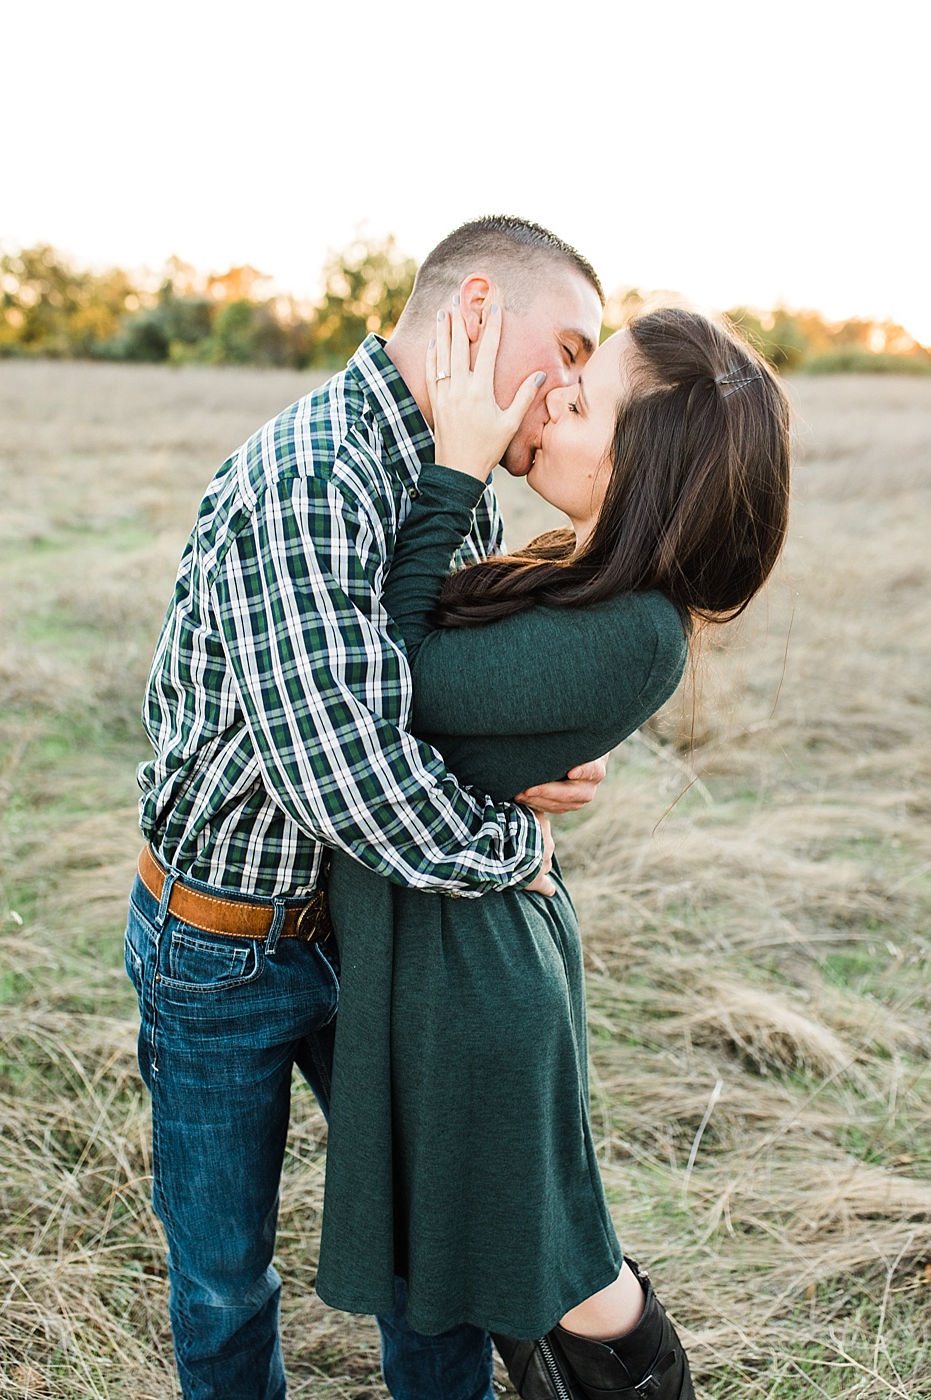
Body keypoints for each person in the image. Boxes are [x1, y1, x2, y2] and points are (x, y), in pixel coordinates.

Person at [124, 216, 611, 1400]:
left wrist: (522, 758)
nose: (577, 390)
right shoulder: (314, 475)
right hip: (222, 945)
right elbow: (345, 775)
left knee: (426, 1254)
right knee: (226, 1279)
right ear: (478, 309)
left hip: (381, 926)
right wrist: (514, 841)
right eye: (573, 347)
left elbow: (420, 704)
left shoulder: (456, 482)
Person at [316, 300, 792, 1399]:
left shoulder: (635, 629)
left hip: (473, 986)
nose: (546, 399)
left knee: (564, 1273)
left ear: (644, 477)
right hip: (445, 950)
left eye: (580, 401)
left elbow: (388, 680)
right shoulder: (588, 580)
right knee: (508, 1276)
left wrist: (455, 469)